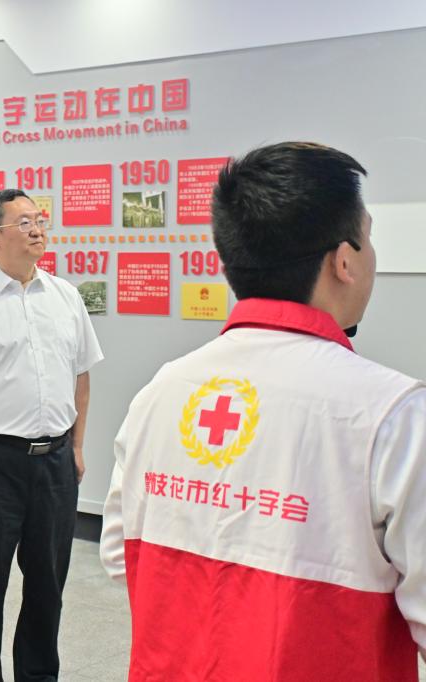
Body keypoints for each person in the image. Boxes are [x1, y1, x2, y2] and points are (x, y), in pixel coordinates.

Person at [100, 142, 426, 679]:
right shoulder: (393, 414)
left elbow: (118, 555)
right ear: (343, 261)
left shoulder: (161, 390)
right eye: (368, 238)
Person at [0, 189, 103, 682]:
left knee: (48, 583)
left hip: (55, 461)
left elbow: (81, 375)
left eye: (39, 219)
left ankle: (38, 675)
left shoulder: (65, 296)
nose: (37, 229)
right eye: (23, 222)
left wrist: (77, 446)